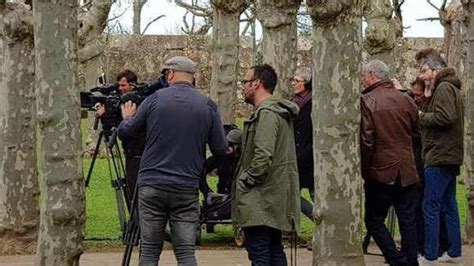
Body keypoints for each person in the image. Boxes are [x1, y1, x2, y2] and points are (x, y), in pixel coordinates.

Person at [118, 56, 228, 265]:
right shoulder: (208, 105)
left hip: (152, 184)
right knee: (186, 252)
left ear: (170, 74)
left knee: (149, 250)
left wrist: (127, 118)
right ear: (192, 77)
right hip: (185, 186)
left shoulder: (154, 100)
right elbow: (221, 149)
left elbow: (126, 133)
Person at [233, 64, 300, 265]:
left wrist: (246, 180)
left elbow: (263, 156)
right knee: (272, 248)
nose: (242, 87)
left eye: (244, 82)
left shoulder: (268, 113)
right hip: (272, 195)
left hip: (261, 197)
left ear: (257, 83)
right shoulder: (274, 112)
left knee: (260, 252)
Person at [360, 60, 420, 266]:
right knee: (408, 220)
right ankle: (411, 261)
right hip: (406, 168)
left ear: (371, 75)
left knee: (373, 220)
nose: (362, 80)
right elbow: (416, 134)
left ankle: (397, 260)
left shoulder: (367, 100)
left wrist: (364, 170)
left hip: (381, 170)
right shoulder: (406, 100)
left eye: (363, 76)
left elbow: (366, 140)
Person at [418, 56, 464, 264]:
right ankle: (454, 252)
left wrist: (420, 116)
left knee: (431, 206)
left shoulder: (444, 88)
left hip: (439, 155)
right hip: (449, 155)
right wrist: (427, 95)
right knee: (448, 204)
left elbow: (445, 117)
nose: (421, 76)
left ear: (435, 70)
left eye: (424, 71)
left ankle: (430, 255)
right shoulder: (450, 88)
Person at [96, 69, 145, 207]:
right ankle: (135, 221)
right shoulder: (119, 103)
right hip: (130, 154)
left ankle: (138, 222)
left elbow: (126, 131)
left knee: (137, 193)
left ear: (133, 85)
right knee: (131, 190)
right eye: (119, 86)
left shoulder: (139, 104)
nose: (120, 89)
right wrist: (106, 115)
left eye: (123, 86)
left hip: (139, 155)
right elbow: (116, 127)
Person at [290, 66, 314, 221]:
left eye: (297, 81)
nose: (293, 83)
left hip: (309, 157)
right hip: (297, 156)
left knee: (314, 194)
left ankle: (317, 218)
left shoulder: (312, 103)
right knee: (291, 194)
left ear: (306, 83)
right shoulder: (295, 102)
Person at [200, 128, 242, 197]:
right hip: (223, 196)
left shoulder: (244, 160)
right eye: (227, 143)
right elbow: (201, 170)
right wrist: (206, 191)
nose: (228, 147)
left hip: (238, 196)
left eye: (232, 145)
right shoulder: (221, 157)